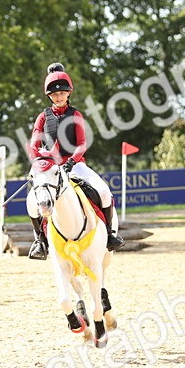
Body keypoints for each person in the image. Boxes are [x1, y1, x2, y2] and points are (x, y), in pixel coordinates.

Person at [26, 62, 125, 259]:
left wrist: (71, 161)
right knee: (31, 202)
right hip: (50, 167)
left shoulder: (75, 114)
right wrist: (41, 160)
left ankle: (109, 235)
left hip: (75, 164)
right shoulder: (42, 117)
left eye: (62, 93)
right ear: (49, 96)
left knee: (104, 191)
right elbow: (34, 144)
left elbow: (82, 143)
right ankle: (40, 241)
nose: (58, 96)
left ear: (68, 93)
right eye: (54, 94)